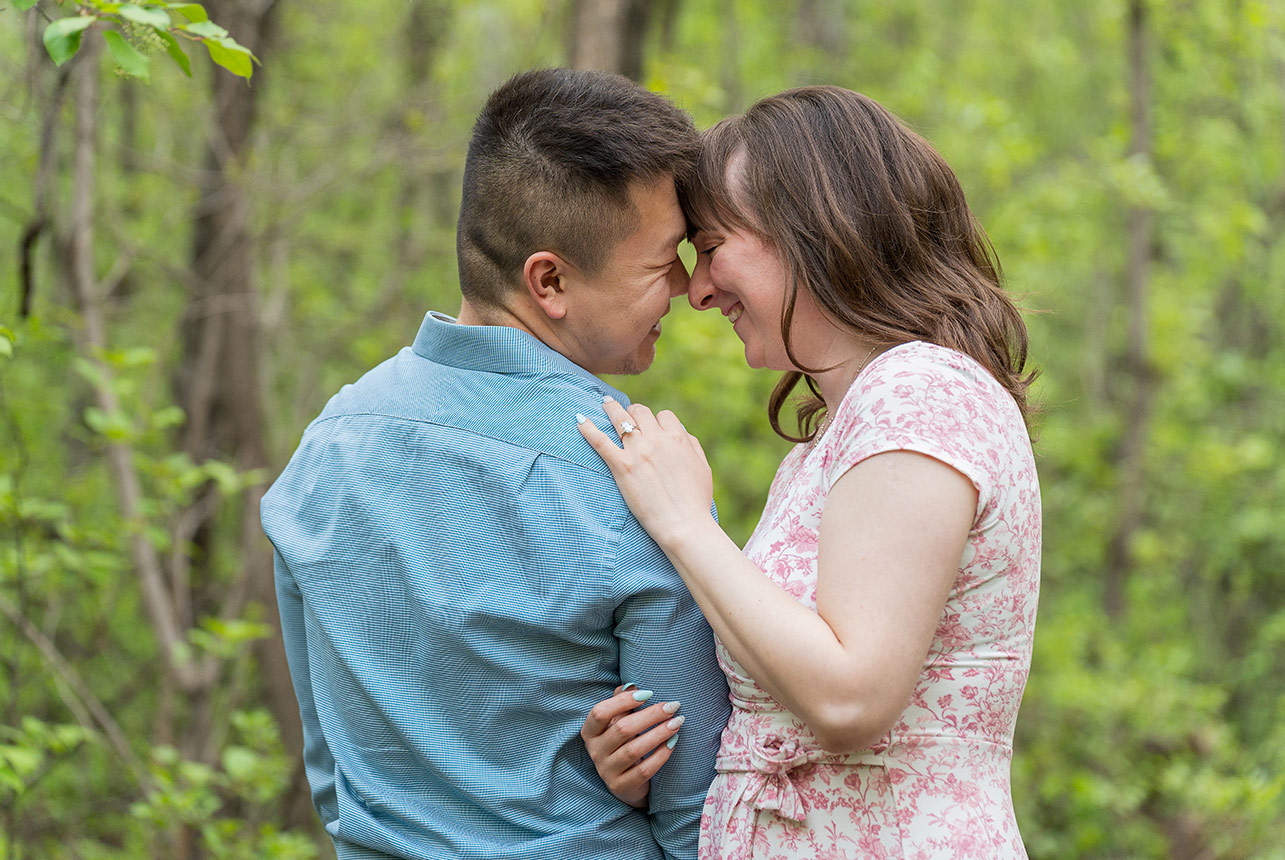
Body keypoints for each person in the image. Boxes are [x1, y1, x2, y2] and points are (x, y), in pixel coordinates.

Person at [261, 68, 730, 860]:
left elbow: (332, 776)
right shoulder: (639, 478)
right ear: (549, 280)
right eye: (661, 263)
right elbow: (698, 816)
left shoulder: (325, 446)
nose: (686, 287)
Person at [577, 85, 1041, 859]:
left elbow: (850, 695)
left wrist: (685, 524)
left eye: (714, 245)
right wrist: (646, 761)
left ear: (816, 231)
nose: (697, 290)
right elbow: (792, 698)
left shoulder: (919, 391)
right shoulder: (828, 442)